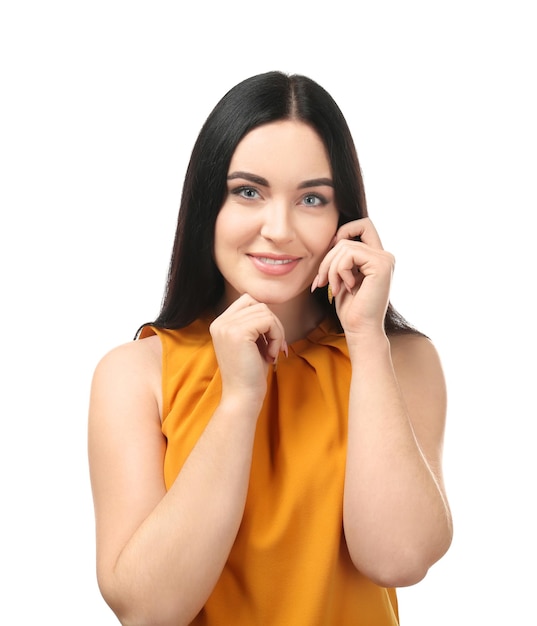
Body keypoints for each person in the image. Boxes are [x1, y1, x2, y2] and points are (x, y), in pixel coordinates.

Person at [88, 70, 453, 626]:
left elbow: (397, 557)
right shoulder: (135, 374)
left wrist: (365, 337)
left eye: (312, 197)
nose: (279, 228)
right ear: (208, 204)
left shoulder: (400, 359)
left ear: (344, 217)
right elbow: (147, 610)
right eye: (248, 192)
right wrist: (238, 399)